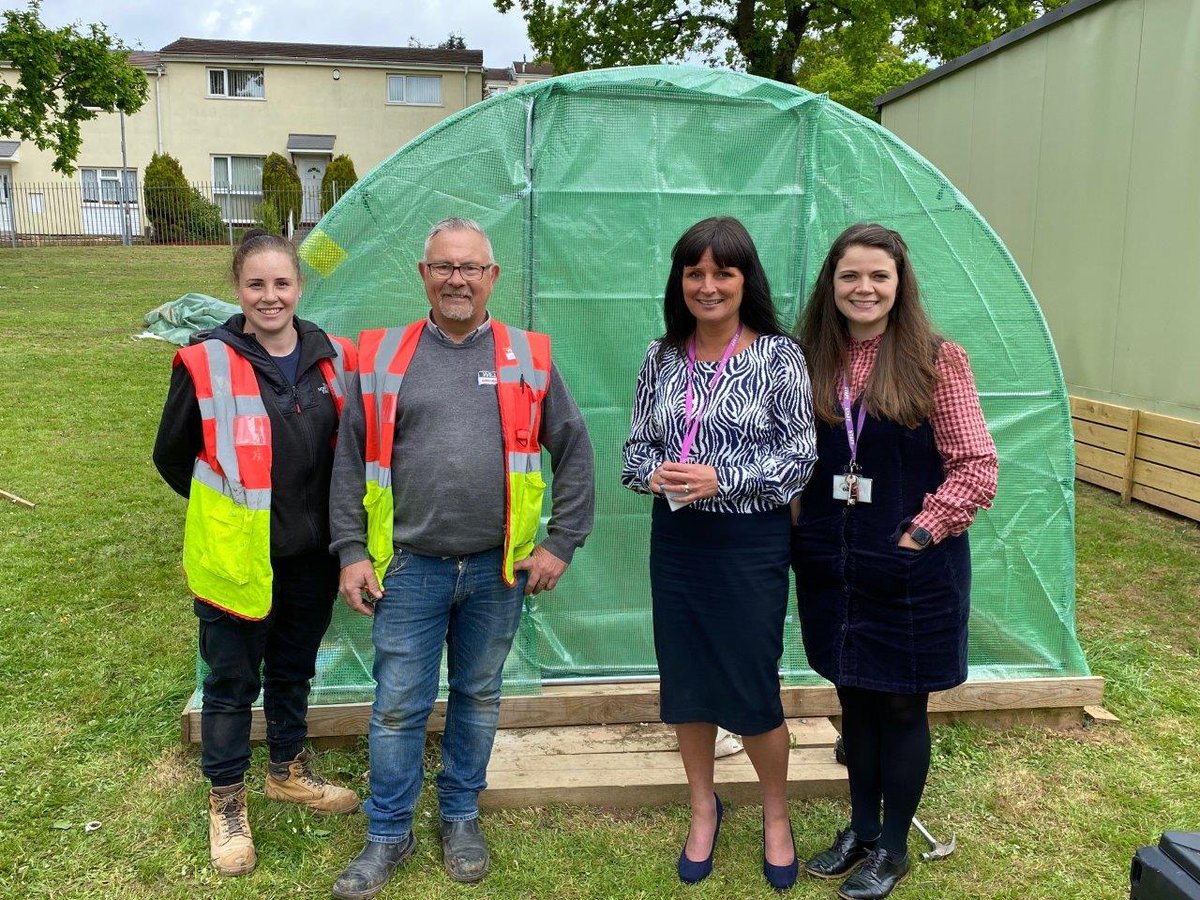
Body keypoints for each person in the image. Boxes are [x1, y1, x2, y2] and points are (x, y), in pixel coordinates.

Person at [329, 217, 595, 898]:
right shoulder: (384, 356)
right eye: (444, 267)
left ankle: (459, 815)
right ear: (422, 275)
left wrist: (561, 543)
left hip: (495, 570)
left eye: (471, 267)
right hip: (409, 567)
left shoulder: (527, 357)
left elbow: (573, 447)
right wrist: (352, 550)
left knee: (478, 697)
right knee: (396, 705)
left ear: (491, 277)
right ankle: (388, 831)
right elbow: (350, 458)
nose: (457, 279)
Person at [793, 223, 998, 900]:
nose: (864, 288)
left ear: (900, 284)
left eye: (879, 276)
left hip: (912, 567)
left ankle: (895, 844)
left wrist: (920, 532)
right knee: (853, 694)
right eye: (851, 275)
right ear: (833, 283)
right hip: (835, 565)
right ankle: (859, 826)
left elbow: (975, 468)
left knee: (904, 707)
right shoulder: (808, 359)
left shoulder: (938, 360)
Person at [153, 229, 360, 878]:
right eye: (255, 284)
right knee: (230, 684)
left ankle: (288, 771)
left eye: (282, 283)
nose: (270, 297)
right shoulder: (206, 361)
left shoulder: (336, 359)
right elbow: (171, 456)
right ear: (238, 289)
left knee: (294, 670)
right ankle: (227, 802)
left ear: (299, 286)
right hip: (237, 562)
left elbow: (356, 453)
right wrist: (228, 516)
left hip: (311, 558)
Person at [621, 216, 817, 890]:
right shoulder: (661, 356)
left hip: (750, 541)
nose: (707, 285)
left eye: (722, 272)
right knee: (688, 685)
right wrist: (654, 475)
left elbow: (800, 458)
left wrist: (721, 478)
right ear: (681, 281)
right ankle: (704, 808)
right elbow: (636, 449)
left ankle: (775, 814)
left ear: (744, 280)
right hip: (677, 541)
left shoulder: (779, 356)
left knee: (752, 687)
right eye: (694, 272)